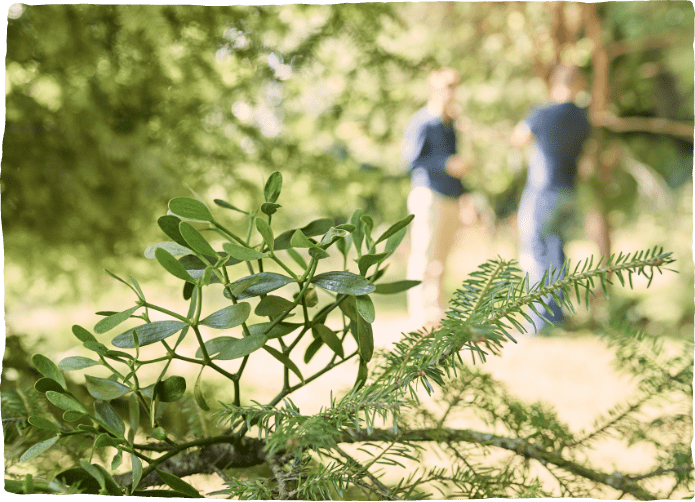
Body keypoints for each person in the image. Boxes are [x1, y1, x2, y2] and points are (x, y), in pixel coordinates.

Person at [511, 64, 591, 333]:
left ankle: (538, 323)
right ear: (579, 85)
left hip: (543, 191)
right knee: (557, 253)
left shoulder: (542, 113)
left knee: (536, 251)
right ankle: (557, 317)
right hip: (569, 191)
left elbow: (519, 138)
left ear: (555, 83)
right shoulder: (583, 119)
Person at [402, 67, 473, 329]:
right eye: (446, 88)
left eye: (454, 88)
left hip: (451, 197)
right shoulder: (422, 121)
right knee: (424, 255)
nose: (451, 93)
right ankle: (419, 316)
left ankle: (436, 313)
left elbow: (457, 168)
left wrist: (466, 198)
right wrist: (446, 164)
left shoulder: (451, 125)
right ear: (434, 90)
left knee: (441, 260)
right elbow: (410, 160)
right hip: (428, 194)